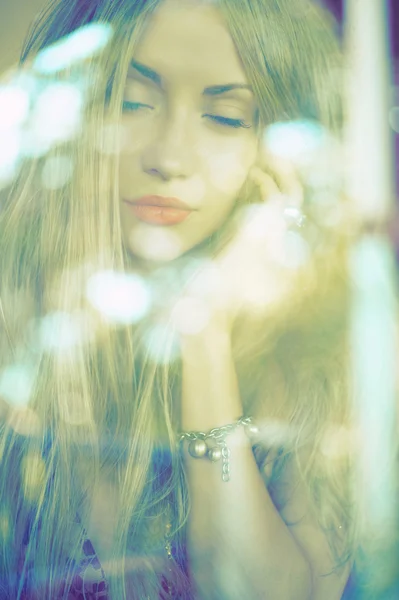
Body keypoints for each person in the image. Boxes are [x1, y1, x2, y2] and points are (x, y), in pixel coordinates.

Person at [0, 0, 357, 598]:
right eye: (132, 102)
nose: (167, 158)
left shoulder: (326, 357)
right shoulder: (20, 341)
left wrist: (201, 325)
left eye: (224, 116)